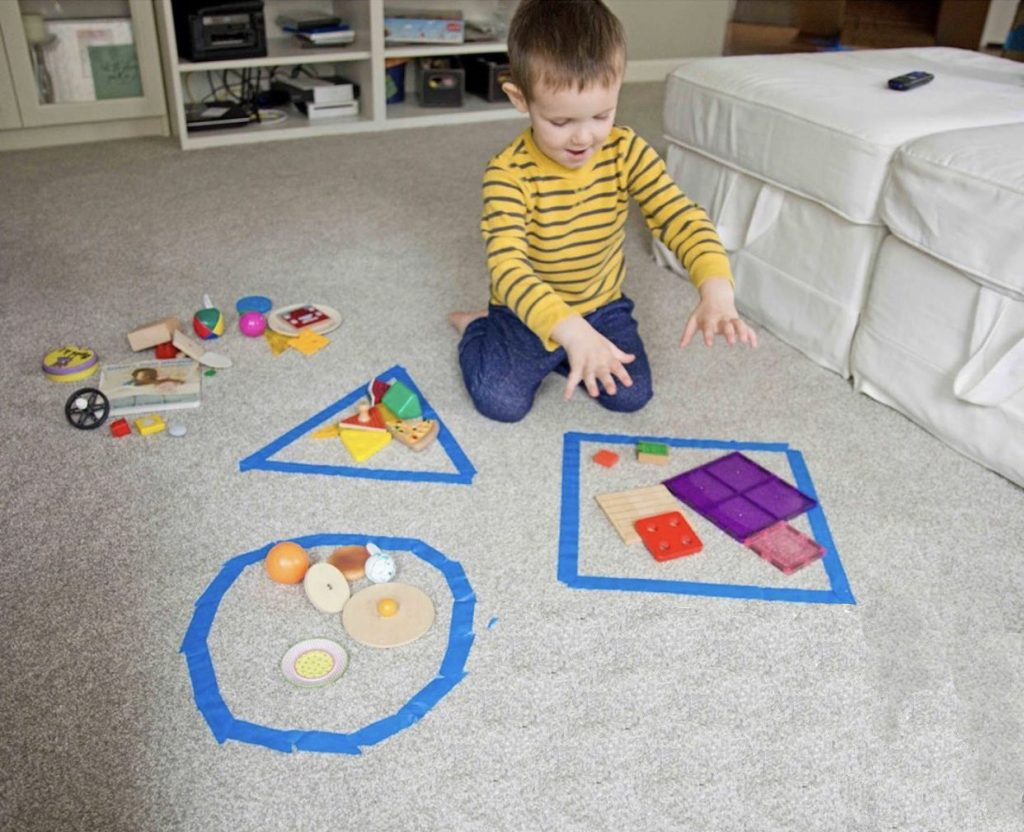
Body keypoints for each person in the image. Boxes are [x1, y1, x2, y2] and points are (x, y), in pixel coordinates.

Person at [449, 0, 756, 423]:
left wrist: (716, 287)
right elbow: (508, 268)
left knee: (631, 396)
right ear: (520, 99)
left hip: (600, 303)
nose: (584, 137)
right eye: (560, 122)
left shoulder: (626, 151)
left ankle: (567, 349)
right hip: (525, 310)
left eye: (602, 114)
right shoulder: (507, 173)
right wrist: (569, 330)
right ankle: (479, 329)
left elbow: (680, 218)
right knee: (500, 403)